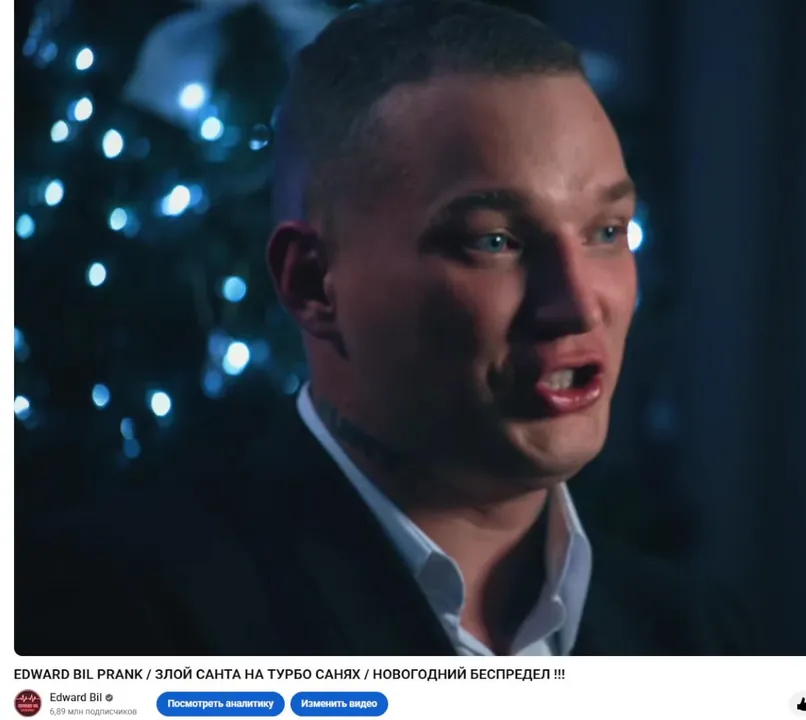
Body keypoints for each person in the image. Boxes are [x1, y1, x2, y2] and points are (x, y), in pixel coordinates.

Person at [16, 0, 751, 657]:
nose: (579, 305)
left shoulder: (698, 639)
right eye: (494, 241)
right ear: (313, 283)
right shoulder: (117, 614)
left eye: (606, 231)